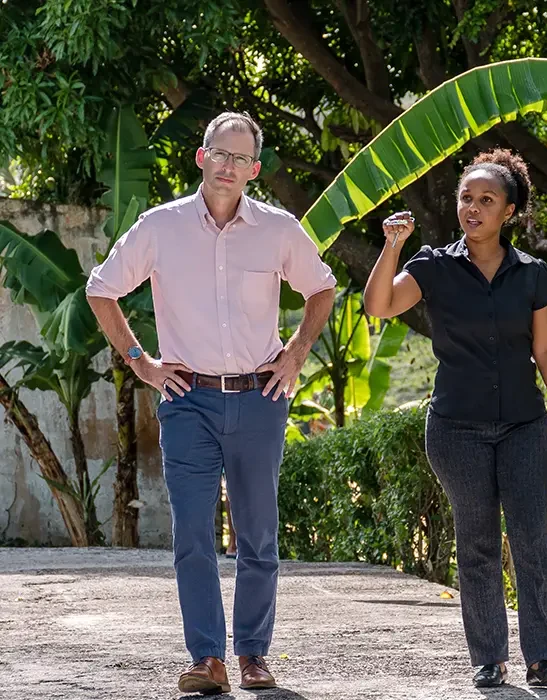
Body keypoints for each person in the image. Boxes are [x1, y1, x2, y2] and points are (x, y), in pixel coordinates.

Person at [86, 112, 336, 694]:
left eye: (240, 158)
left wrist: (296, 353)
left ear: (254, 169)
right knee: (193, 535)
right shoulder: (160, 227)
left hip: (259, 398)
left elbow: (321, 287)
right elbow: (101, 290)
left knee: (258, 534)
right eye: (219, 154)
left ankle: (252, 655)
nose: (228, 166)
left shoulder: (277, 230)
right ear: (201, 158)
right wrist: (139, 361)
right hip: (187, 401)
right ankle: (207, 660)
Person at [363, 149, 547, 688]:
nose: (473, 208)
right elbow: (380, 306)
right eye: (467, 197)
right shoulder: (432, 265)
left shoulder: (532, 275)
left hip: (523, 425)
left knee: (533, 537)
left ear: (509, 211)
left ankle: (545, 657)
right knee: (478, 540)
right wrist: (392, 247)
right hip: (456, 428)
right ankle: (489, 657)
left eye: (487, 200)